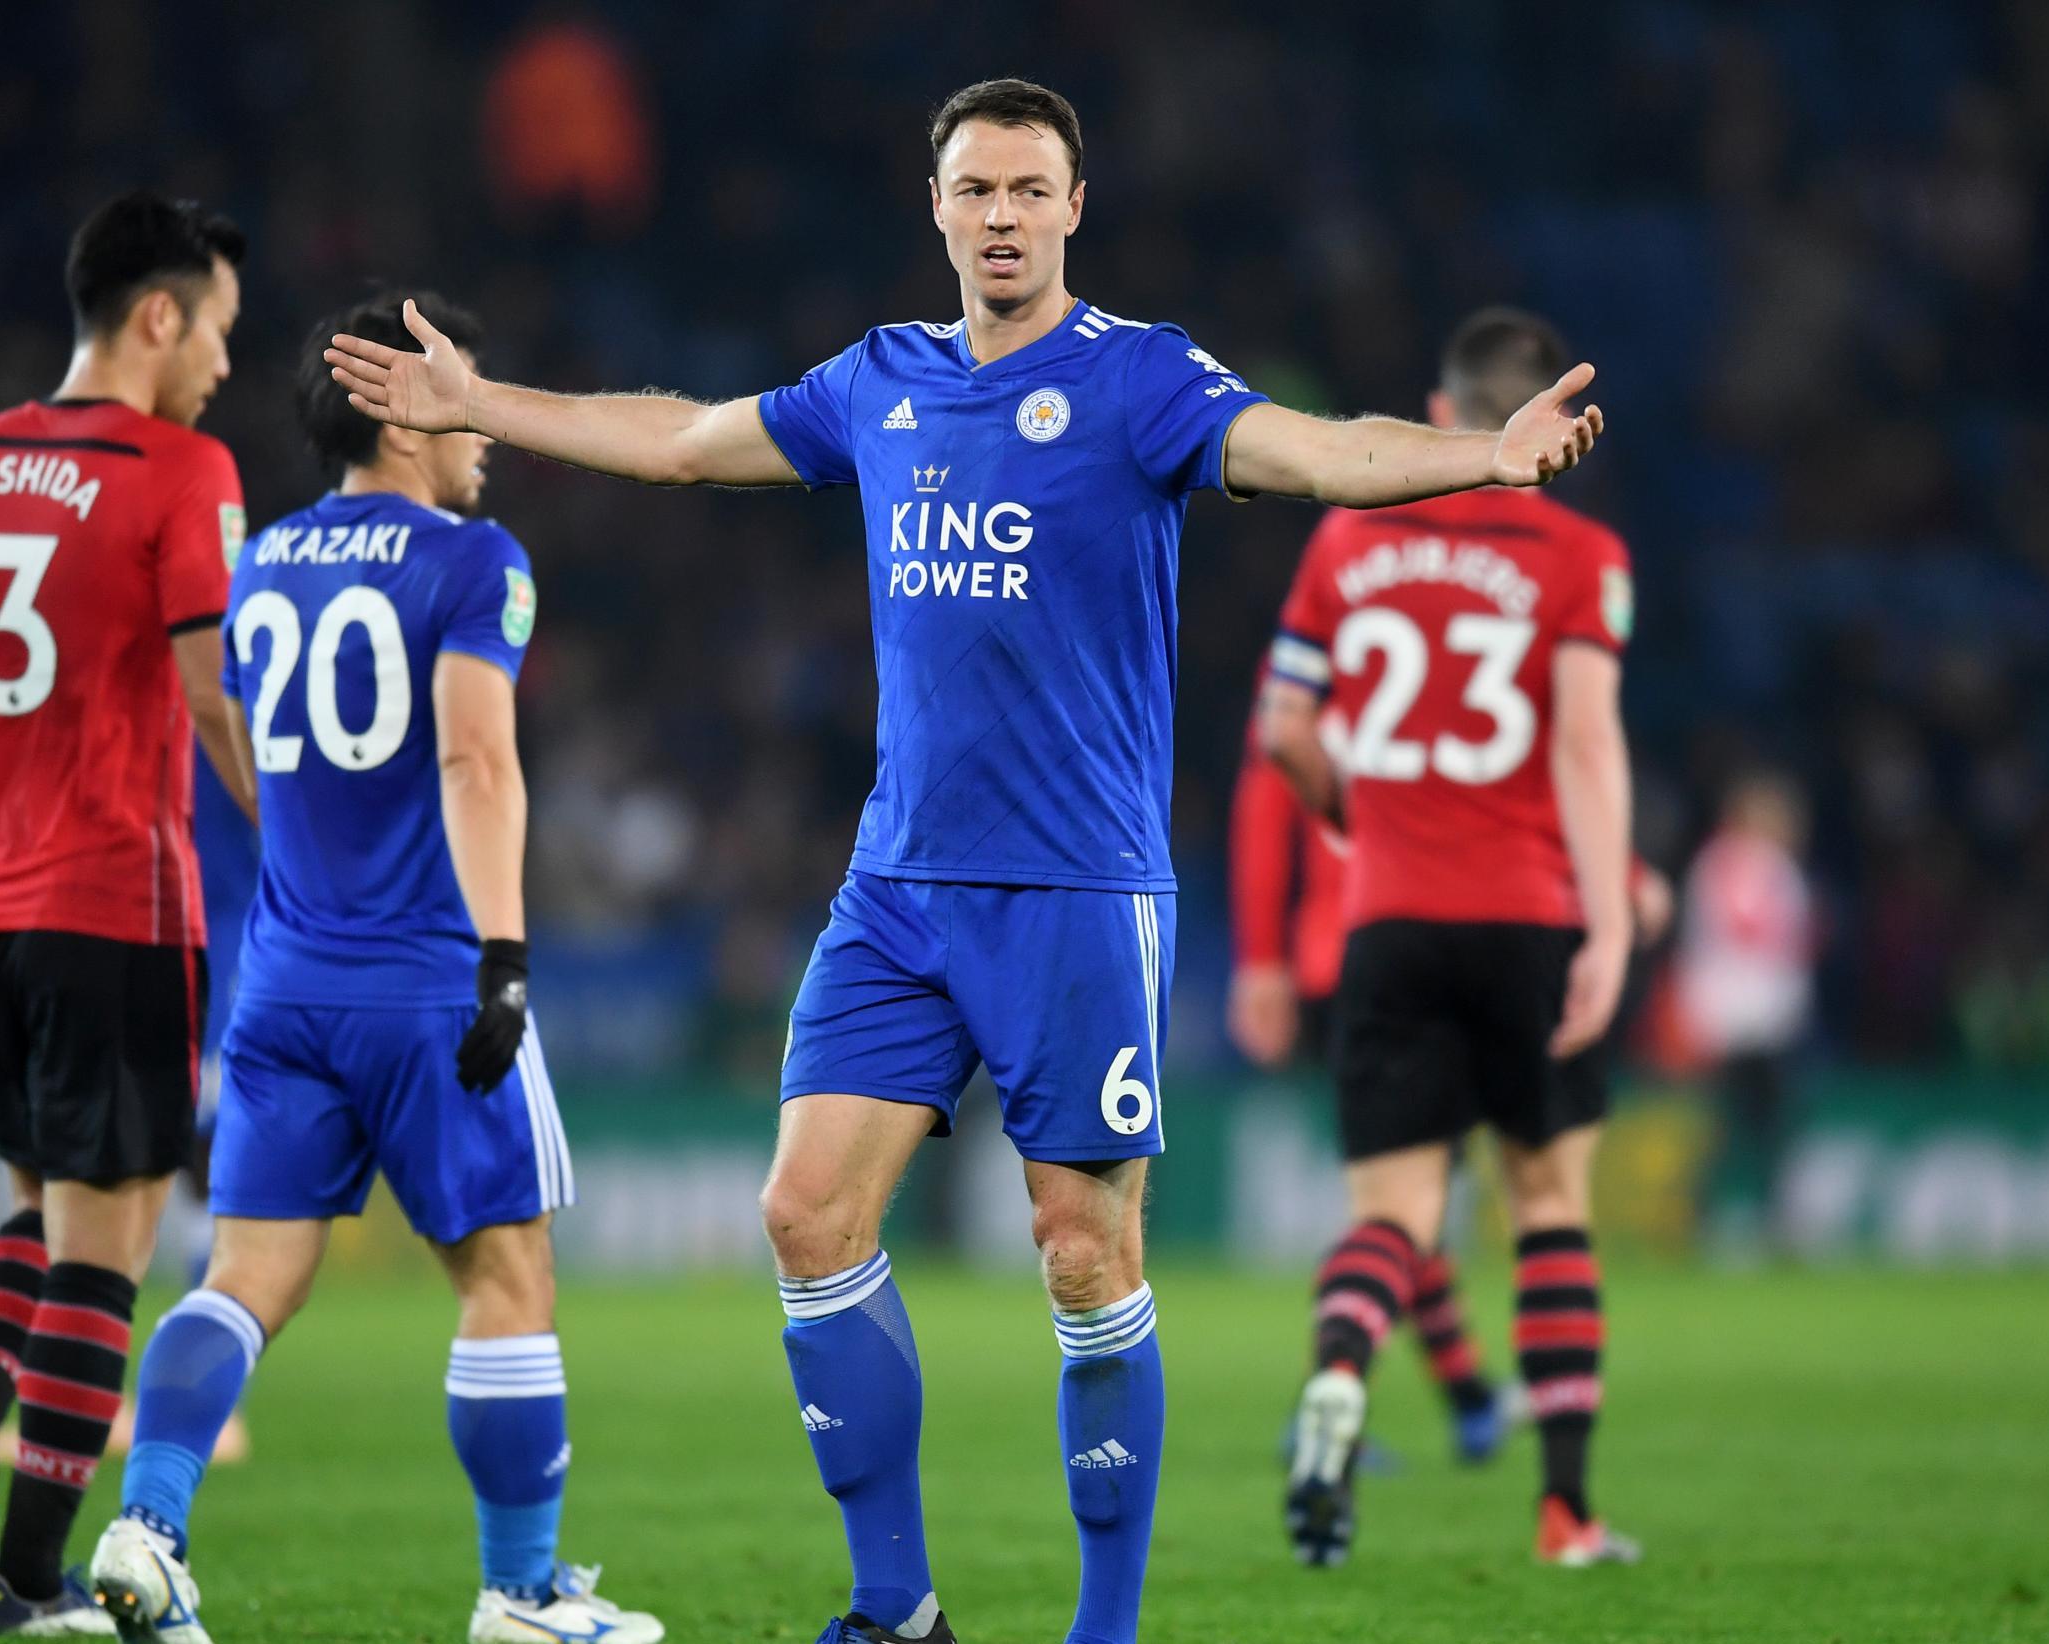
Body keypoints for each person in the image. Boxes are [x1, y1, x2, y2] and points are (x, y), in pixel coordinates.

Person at [328, 81, 1602, 1644]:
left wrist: (1488, 454)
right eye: (973, 187)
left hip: (1077, 891)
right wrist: (482, 403)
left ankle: (1105, 1629)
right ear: (933, 206)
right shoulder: (881, 381)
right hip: (900, 888)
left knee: (1082, 1250)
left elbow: (1322, 453)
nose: (999, 213)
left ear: (1076, 207)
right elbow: (676, 442)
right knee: (806, 1214)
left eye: (1027, 188)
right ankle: (895, 1610)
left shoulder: (1138, 382)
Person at [85, 294, 661, 1644]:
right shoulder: (473, 563)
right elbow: (472, 757)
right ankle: (519, 1595)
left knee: (243, 1278)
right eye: (458, 396)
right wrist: (503, 959)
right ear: (405, 410)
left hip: (281, 984)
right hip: (424, 984)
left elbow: (224, 727)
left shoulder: (267, 562)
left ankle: (147, 1530)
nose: (481, 433)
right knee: (507, 1280)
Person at [0, 190, 252, 1635]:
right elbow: (210, 689)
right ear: (156, 316)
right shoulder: (181, 470)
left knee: (37, 1205)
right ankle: (34, 1579)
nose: (226, 363)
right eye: (218, 329)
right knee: (108, 1247)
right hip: (115, 895)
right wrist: (291, 845)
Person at [1258, 306, 1640, 1569]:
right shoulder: (1581, 553)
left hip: (1391, 920)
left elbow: (1283, 734)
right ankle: (1567, 1512)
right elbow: (1586, 747)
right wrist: (1612, 929)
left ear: (1440, 413)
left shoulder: (1344, 542)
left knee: (1397, 1218)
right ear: (1555, 418)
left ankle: (1336, 1380)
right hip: (1530, 917)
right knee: (1546, 1205)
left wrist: (1351, 820)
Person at [1228, 717, 1520, 1464]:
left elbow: (1265, 805)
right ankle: (1330, 1395)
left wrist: (1263, 956)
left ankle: (1469, 1399)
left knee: (1402, 1207)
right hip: (1425, 945)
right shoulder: (1445, 632)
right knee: (1401, 1211)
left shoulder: (1311, 665)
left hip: (1336, 957)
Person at [1678, 771, 1814, 1249]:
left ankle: (1757, 1219)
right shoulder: (1742, 866)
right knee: (1740, 1127)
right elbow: (1756, 937)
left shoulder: (1730, 865)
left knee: (1757, 1127)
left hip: (1752, 1018)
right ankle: (1720, 1219)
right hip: (1744, 1020)